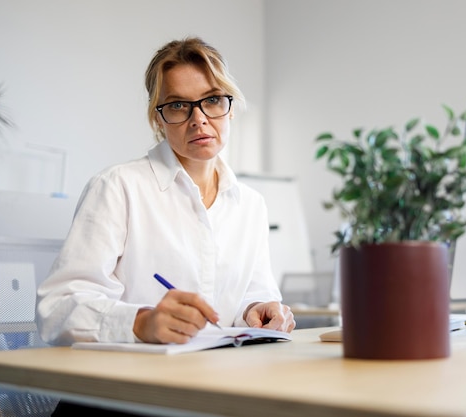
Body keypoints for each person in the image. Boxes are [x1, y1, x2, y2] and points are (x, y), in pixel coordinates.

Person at [36, 37, 295, 416]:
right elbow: (57, 308)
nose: (199, 118)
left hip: (207, 392)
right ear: (158, 118)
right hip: (119, 399)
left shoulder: (250, 205)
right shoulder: (118, 187)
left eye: (212, 100)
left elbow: (250, 295)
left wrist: (260, 309)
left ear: (230, 107)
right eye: (177, 105)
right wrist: (142, 322)